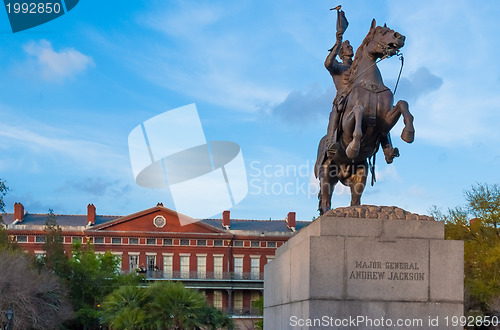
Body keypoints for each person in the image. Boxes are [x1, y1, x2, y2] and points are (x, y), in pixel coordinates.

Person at [324, 8, 399, 164]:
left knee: (379, 110)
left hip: (361, 93)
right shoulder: (339, 67)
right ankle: (331, 141)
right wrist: (338, 41)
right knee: (336, 110)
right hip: (344, 96)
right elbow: (327, 64)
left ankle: (387, 148)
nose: (350, 48)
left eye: (350, 46)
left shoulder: (358, 66)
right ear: (341, 53)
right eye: (347, 47)